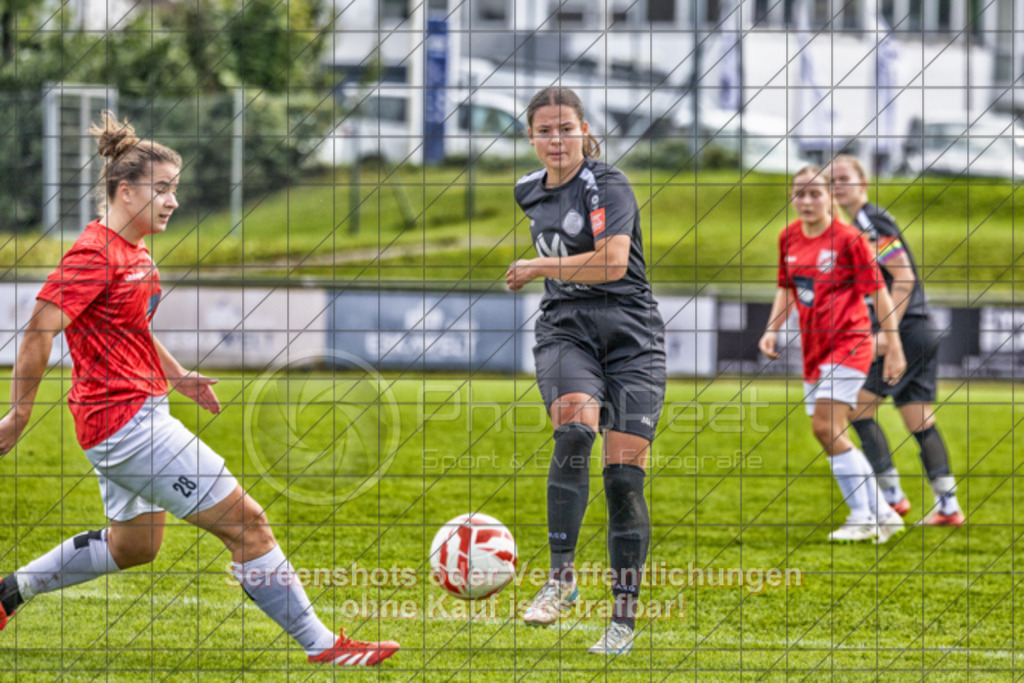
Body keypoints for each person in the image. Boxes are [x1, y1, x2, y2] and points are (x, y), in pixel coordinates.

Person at [0, 112, 398, 667]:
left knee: (133, 548)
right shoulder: (95, 254)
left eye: (174, 190)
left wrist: (178, 375)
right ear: (124, 190)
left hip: (124, 419)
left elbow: (132, 329)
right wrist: (19, 415)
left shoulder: (136, 253)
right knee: (249, 524)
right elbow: (40, 327)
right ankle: (324, 645)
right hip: (127, 425)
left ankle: (7, 593)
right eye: (161, 189)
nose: (172, 202)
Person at [505, 87, 666, 656]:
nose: (556, 140)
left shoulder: (608, 183)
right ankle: (560, 579)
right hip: (566, 328)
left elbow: (613, 261)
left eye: (566, 129)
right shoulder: (526, 191)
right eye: (545, 130)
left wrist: (538, 265)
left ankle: (621, 618)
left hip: (632, 336)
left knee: (623, 478)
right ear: (530, 137)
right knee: (575, 429)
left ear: (585, 131)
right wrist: (547, 276)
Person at [758, 166, 908, 543]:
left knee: (826, 426)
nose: (806, 201)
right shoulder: (787, 237)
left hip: (850, 342)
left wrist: (892, 346)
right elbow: (786, 288)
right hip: (814, 349)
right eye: (799, 193)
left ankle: (863, 517)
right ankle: (885, 513)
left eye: (815, 194)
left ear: (829, 197)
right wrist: (771, 329)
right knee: (830, 432)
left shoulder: (848, 238)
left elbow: (880, 294)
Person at [830, 155, 964, 526]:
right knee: (919, 419)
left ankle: (891, 498)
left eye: (844, 178)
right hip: (920, 329)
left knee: (855, 407)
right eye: (833, 180)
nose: (837, 186)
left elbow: (902, 279)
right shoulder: (856, 224)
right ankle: (949, 507)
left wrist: (889, 335)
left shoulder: (871, 220)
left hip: (907, 330)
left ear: (863, 183)